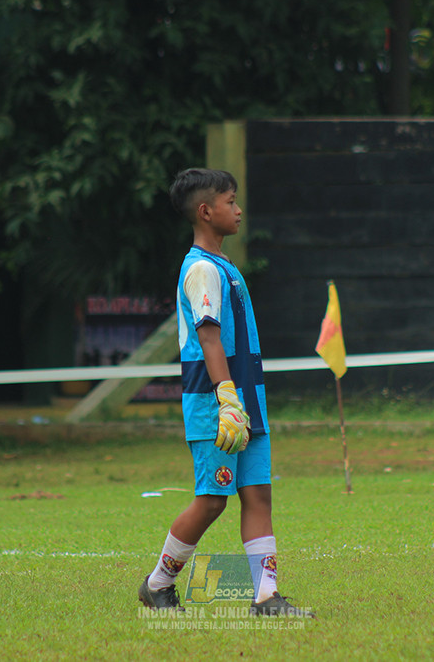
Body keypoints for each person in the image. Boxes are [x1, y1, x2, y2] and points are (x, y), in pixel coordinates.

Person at [137, 168, 313, 618]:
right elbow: (209, 338)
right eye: (230, 201)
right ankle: (158, 583)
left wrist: (243, 401)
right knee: (212, 499)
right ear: (205, 211)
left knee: (258, 495)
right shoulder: (200, 269)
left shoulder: (226, 266)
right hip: (217, 405)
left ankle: (266, 597)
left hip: (246, 402)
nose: (238, 209)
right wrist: (227, 399)